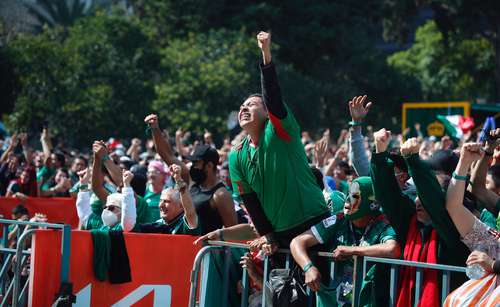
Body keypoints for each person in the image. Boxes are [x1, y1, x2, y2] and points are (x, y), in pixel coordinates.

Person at [228, 31, 329, 247]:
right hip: (279, 234)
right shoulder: (236, 155)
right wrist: (267, 234)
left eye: (252, 104)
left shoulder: (278, 130)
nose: (244, 108)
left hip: (312, 223)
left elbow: (273, 98)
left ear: (267, 113)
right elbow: (249, 200)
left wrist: (266, 56)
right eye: (241, 106)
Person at [371, 131, 469, 307]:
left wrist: (414, 160)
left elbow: (435, 205)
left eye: (425, 194)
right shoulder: (411, 222)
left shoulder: (454, 227)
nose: (418, 200)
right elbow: (388, 197)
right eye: (418, 193)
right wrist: (379, 153)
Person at [290, 176, 400, 306]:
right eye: (349, 194)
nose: (348, 200)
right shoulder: (338, 219)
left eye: (355, 196)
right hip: (337, 298)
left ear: (371, 203)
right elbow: (297, 242)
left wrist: (352, 250)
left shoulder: (383, 222)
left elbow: (392, 249)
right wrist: (308, 268)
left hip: (368, 299)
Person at [144, 115, 237, 234]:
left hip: (204, 250)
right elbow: (167, 155)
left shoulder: (221, 194)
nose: (192, 167)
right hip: (182, 244)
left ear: (209, 166)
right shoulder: (192, 179)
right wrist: (155, 128)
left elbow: (233, 232)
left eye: (196, 163)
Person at [444, 142, 500, 306]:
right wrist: (463, 163)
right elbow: (453, 207)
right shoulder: (493, 243)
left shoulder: (490, 255)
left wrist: (492, 264)